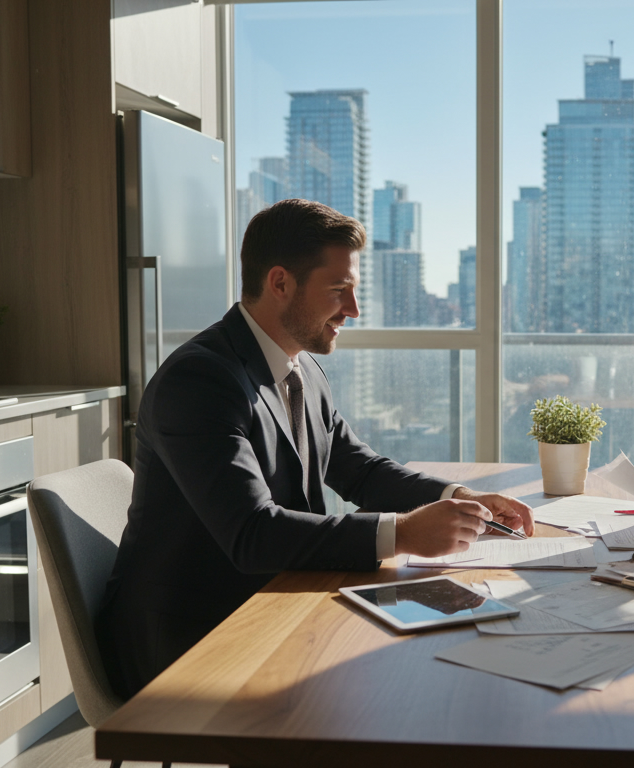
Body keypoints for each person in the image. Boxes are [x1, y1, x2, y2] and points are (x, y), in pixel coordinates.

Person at [96, 199, 534, 697]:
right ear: (280, 283)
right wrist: (404, 533)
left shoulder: (301, 369)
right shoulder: (199, 380)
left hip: (272, 600)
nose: (353, 309)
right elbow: (252, 533)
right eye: (339, 290)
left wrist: (459, 497)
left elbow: (359, 470)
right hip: (190, 638)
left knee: (434, 665)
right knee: (403, 687)